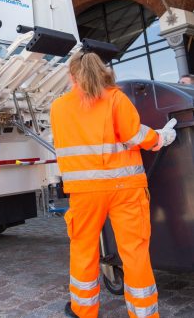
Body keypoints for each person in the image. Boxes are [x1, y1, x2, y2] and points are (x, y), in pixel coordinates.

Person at [50, 51, 177, 318]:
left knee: (83, 248)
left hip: (84, 193)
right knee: (134, 252)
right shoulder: (115, 99)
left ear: (72, 75)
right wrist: (162, 138)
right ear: (103, 70)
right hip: (125, 189)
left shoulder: (59, 107)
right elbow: (135, 136)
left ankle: (83, 311)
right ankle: (144, 314)